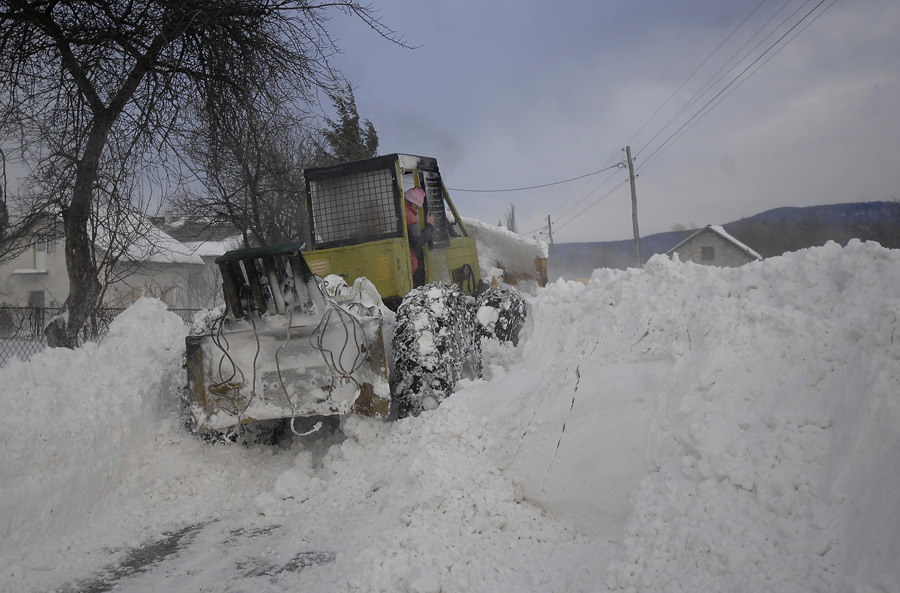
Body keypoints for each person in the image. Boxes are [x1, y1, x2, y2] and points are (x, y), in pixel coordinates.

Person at [404, 187, 434, 287]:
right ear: (410, 203)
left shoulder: (401, 210)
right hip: (409, 264)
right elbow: (417, 241)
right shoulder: (409, 216)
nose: (416, 212)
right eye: (417, 207)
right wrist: (430, 226)